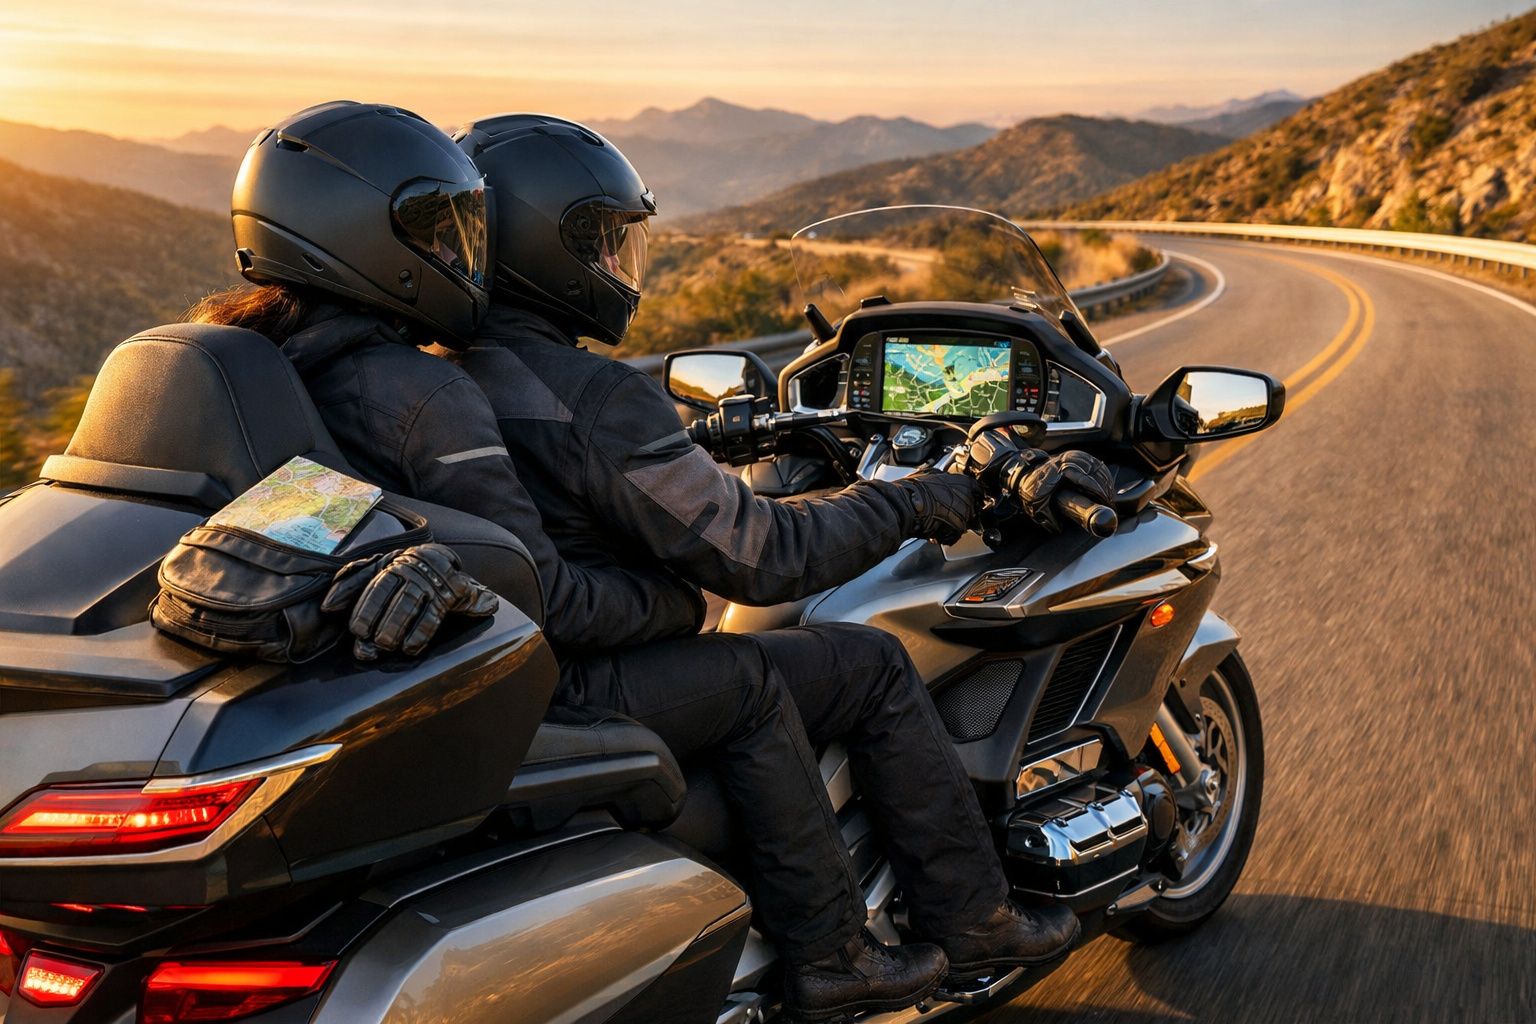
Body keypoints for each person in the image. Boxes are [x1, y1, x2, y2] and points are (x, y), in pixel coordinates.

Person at [452, 113, 1107, 1019]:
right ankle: (965, 923)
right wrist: (918, 498)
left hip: (497, 669)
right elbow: (763, 555)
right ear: (543, 249)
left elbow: (588, 503)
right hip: (585, 678)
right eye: (602, 243)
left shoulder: (429, 374)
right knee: (868, 661)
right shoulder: (588, 392)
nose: (616, 267)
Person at [185, 100, 705, 656]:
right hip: (513, 691)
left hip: (294, 676)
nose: (459, 255)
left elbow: (318, 518)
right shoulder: (421, 396)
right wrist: (676, 598)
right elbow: (538, 601)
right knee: (755, 687)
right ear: (362, 234)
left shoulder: (250, 369)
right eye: (439, 233)